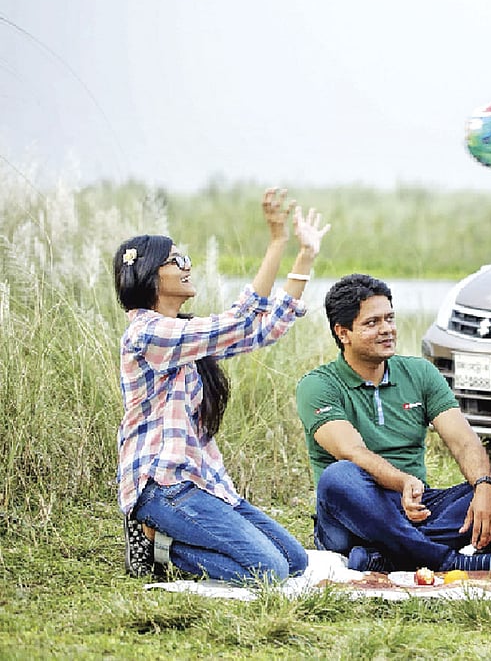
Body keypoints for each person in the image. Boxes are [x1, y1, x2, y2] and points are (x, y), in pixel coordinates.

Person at [115, 188, 330, 581]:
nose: (186, 266)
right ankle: (158, 546)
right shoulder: (146, 334)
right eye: (176, 260)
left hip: (203, 483)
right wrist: (277, 241)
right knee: (269, 570)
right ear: (148, 274)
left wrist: (305, 255)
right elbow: (237, 322)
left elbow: (261, 331)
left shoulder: (185, 336)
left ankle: (165, 540)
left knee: (295, 561)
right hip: (162, 485)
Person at [295, 273, 491, 573]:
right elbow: (352, 451)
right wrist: (404, 481)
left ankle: (386, 557)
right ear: (343, 333)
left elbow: (463, 441)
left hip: (418, 508)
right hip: (353, 515)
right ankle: (443, 559)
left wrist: (484, 486)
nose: (387, 330)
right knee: (338, 476)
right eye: (372, 323)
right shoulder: (318, 385)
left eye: (389, 319)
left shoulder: (420, 373)